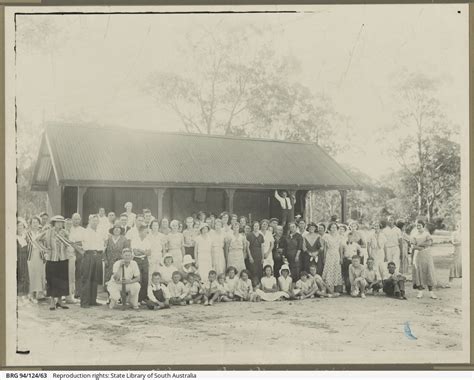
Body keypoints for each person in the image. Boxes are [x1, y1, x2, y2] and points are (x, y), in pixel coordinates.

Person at [40, 215, 70, 310]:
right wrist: (44, 249)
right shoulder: (48, 232)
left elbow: (68, 244)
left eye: (61, 222)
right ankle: (52, 302)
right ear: (53, 223)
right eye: (57, 222)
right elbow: (36, 240)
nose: (60, 224)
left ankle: (60, 301)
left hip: (63, 259)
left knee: (62, 280)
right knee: (52, 280)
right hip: (51, 259)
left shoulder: (65, 232)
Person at [80, 214, 104, 308]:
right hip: (88, 255)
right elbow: (80, 244)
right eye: (93, 220)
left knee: (95, 279)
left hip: (97, 255)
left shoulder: (99, 232)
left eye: (96, 221)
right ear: (89, 221)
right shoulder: (85, 232)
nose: (95, 222)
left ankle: (93, 300)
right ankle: (84, 302)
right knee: (86, 278)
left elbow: (101, 244)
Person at [411, 220, 437, 299]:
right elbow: (413, 246)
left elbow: (429, 243)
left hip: (427, 255)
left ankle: (431, 293)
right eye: (417, 225)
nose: (418, 227)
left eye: (420, 225)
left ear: (423, 226)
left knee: (428, 271)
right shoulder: (414, 235)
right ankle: (420, 292)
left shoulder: (426, 234)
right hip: (418, 255)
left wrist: (420, 245)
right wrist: (421, 247)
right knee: (419, 272)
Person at [25, 216, 46, 302]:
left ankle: (39, 293)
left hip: (40, 255)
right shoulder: (28, 233)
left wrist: (44, 250)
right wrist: (39, 244)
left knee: (40, 273)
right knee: (31, 273)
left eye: (36, 222)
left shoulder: (42, 232)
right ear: (30, 224)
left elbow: (44, 242)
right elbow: (32, 242)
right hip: (31, 255)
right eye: (33, 223)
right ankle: (31, 293)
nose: (35, 224)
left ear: (39, 223)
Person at [104, 225, 129, 294]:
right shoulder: (108, 239)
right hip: (109, 263)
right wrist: (105, 260)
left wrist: (125, 261)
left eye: (118, 229)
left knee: (120, 279)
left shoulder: (124, 239)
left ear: (121, 230)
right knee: (109, 280)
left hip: (120, 263)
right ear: (113, 230)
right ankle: (109, 297)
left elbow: (127, 251)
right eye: (115, 229)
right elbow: (104, 251)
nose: (117, 230)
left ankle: (120, 297)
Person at [321, 222, 344, 295]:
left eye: (335, 227)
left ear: (337, 229)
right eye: (332, 227)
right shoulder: (326, 236)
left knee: (336, 270)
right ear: (329, 228)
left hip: (336, 255)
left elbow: (341, 248)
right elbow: (325, 248)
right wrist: (324, 257)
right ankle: (328, 288)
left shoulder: (339, 236)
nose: (333, 229)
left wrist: (341, 258)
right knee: (328, 270)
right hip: (329, 254)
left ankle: (336, 288)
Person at [131, 225, 151, 303]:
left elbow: (149, 253)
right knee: (138, 279)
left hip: (145, 261)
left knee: (145, 280)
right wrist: (144, 251)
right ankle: (137, 299)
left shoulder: (147, 240)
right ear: (140, 231)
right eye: (145, 231)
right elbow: (135, 252)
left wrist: (141, 250)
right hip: (137, 260)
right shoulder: (135, 240)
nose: (147, 233)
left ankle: (143, 298)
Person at [69, 213, 86, 298]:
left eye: (78, 219)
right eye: (74, 219)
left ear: (80, 220)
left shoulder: (83, 230)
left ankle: (78, 292)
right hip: (70, 252)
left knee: (79, 272)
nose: (76, 221)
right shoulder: (68, 229)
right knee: (70, 272)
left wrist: (78, 245)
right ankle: (69, 292)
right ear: (72, 220)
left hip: (80, 252)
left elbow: (85, 241)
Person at [246, 221, 265, 287]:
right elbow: (247, 247)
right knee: (252, 270)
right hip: (252, 254)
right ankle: (253, 286)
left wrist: (262, 258)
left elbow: (262, 247)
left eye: (257, 226)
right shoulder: (249, 235)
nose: (256, 227)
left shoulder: (261, 236)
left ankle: (259, 286)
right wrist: (250, 257)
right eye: (255, 226)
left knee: (259, 270)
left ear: (259, 227)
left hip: (259, 255)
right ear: (253, 227)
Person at [16, 218, 29, 298]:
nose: (20, 228)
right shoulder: (15, 237)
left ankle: (25, 291)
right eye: (18, 227)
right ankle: (19, 291)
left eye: (21, 227)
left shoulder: (25, 237)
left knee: (25, 273)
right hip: (19, 257)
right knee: (19, 273)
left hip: (25, 258)